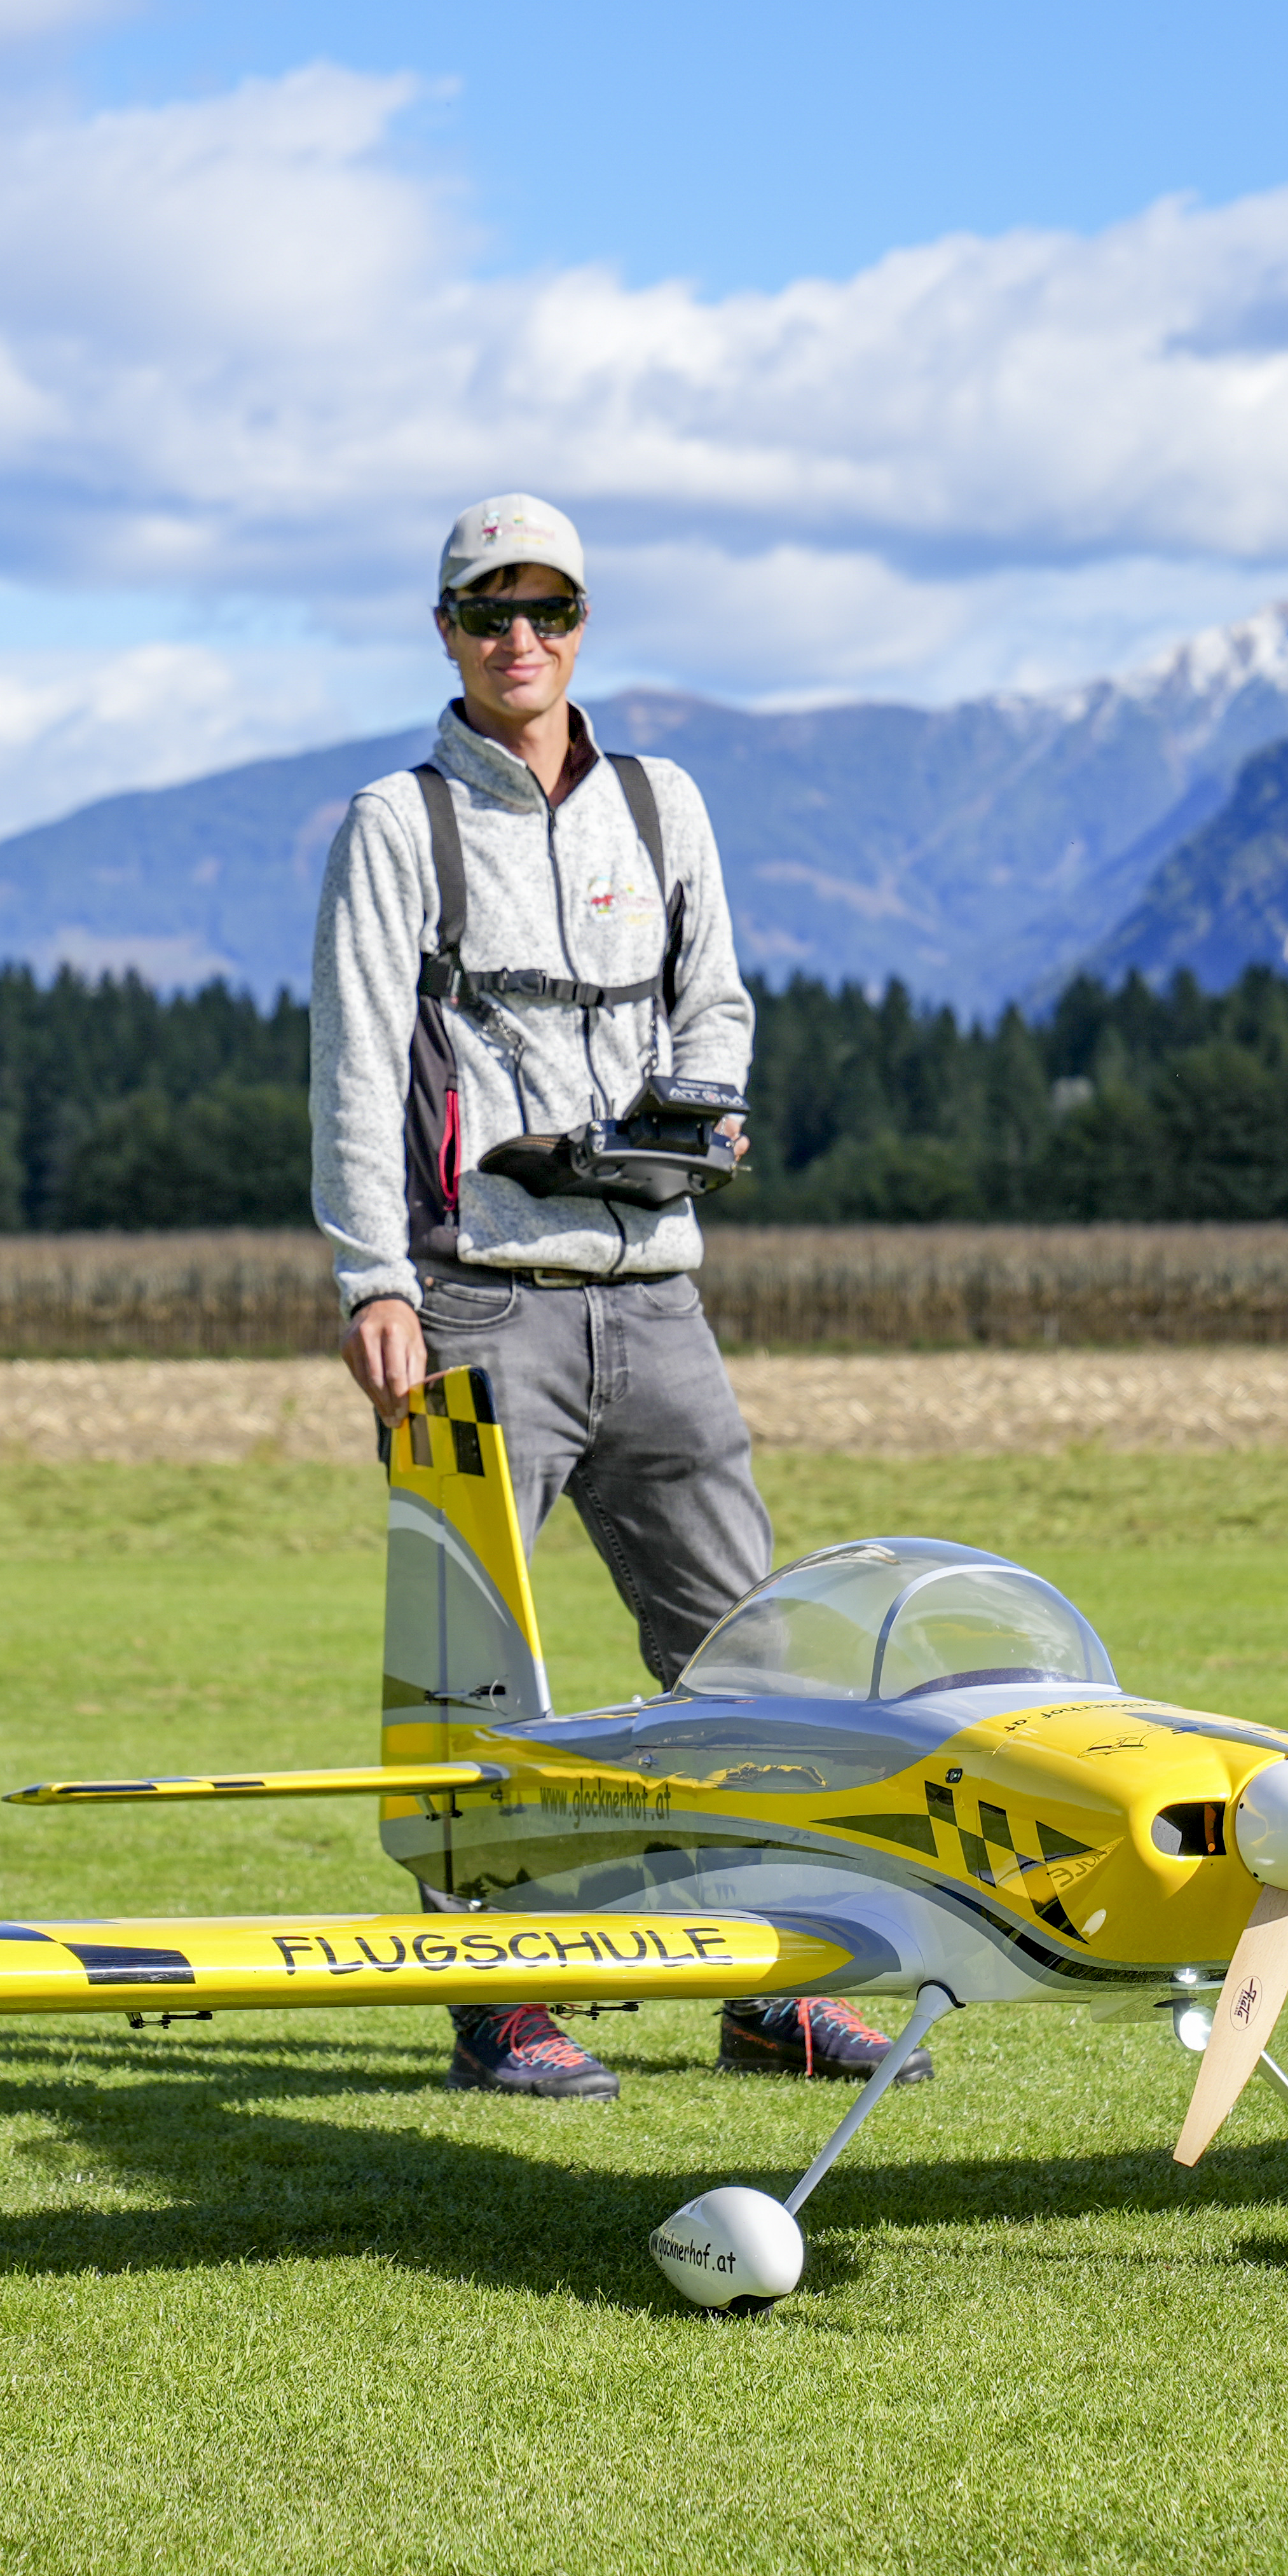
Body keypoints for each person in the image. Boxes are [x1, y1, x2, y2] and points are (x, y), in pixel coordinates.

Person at [310, 493, 927, 2102]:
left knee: (757, 1658)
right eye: (488, 610)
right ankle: (497, 1998)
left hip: (656, 1297)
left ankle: (773, 1983)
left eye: (551, 608)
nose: (523, 639)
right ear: (442, 629)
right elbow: (359, 1064)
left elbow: (712, 991)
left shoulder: (665, 803)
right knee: (474, 1680)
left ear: (586, 620)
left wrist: (699, 1105)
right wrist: (372, 1273)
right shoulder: (397, 822)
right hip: (474, 1300)